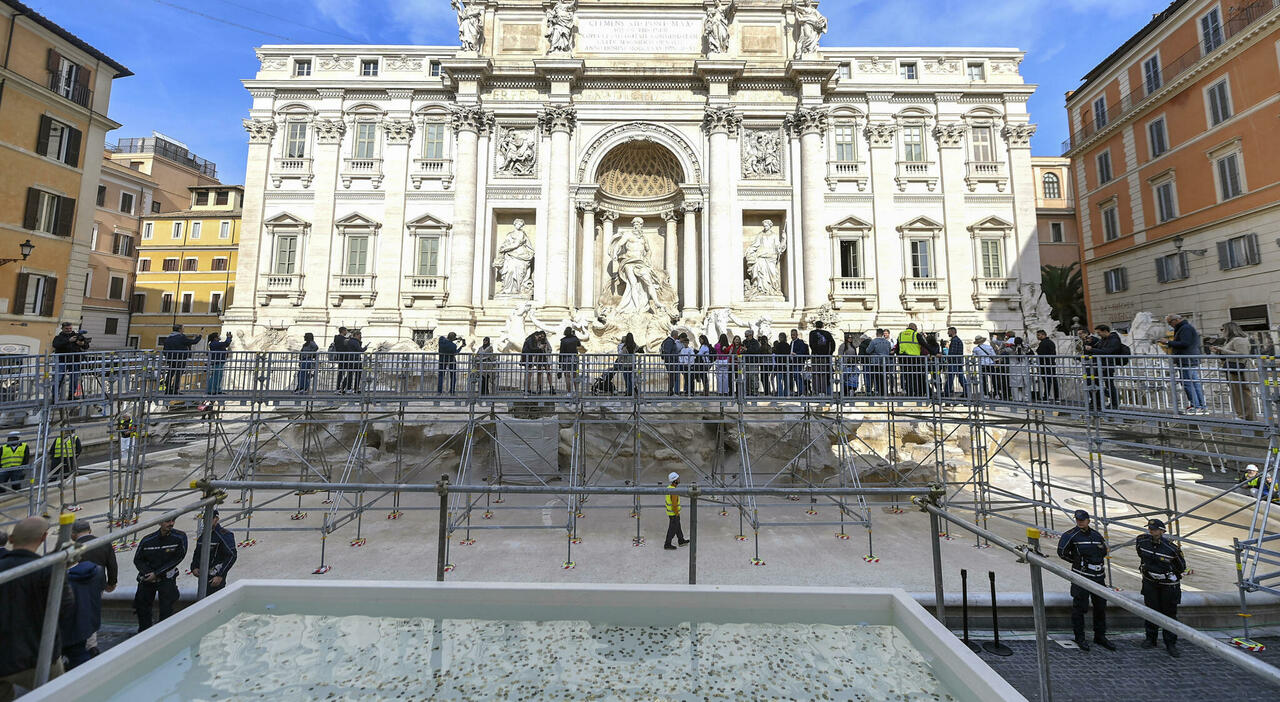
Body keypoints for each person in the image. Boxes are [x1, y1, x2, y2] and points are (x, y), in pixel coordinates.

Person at [0, 517, 73, 696]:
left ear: (10, 539)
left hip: (2, 657)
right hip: (38, 656)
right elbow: (64, 608)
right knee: (59, 696)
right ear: (43, 538)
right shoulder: (48, 571)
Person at [1057, 510, 1115, 652]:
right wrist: (1078, 563)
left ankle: (1100, 636)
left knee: (1100, 607)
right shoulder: (1070, 535)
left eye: (1082, 520)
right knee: (1080, 607)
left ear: (1088, 520)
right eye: (1078, 520)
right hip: (1081, 576)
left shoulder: (1096, 535)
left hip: (1098, 576)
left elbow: (1103, 551)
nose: (1080, 522)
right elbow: (1062, 553)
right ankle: (1080, 637)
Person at [62, 523, 109, 669]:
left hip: (68, 631)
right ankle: (92, 648)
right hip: (92, 601)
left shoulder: (62, 579)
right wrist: (111, 582)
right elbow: (111, 564)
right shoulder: (98, 570)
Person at [1136, 518, 1186, 657]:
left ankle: (1170, 643)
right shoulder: (1142, 541)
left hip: (1168, 585)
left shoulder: (1171, 548)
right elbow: (1141, 554)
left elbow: (1181, 566)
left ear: (1162, 531)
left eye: (1155, 529)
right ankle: (1150, 639)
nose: (1151, 531)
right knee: (1150, 610)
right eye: (1150, 529)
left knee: (1169, 614)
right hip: (1150, 582)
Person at [72, 519, 116, 661]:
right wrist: (111, 583)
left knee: (77, 614)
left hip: (75, 587)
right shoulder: (103, 543)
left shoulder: (71, 548)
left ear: (73, 534)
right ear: (90, 530)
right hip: (97, 585)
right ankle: (92, 645)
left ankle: (82, 644)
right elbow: (112, 565)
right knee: (92, 612)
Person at [133, 517, 188, 631]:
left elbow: (178, 558)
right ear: (160, 523)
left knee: (166, 608)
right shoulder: (148, 540)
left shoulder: (179, 537)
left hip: (166, 578)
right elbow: (138, 560)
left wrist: (157, 574)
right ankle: (144, 634)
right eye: (167, 521)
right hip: (148, 579)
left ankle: (164, 633)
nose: (171, 524)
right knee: (142, 607)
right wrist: (148, 574)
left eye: (173, 521)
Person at [1160, 314, 1206, 414]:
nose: (1170, 325)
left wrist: (1168, 342)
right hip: (1189, 359)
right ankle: (1201, 406)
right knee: (1195, 383)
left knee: (1188, 384)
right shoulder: (1185, 327)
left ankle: (1196, 406)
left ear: (1176, 320)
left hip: (1186, 360)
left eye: (1170, 323)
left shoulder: (1185, 328)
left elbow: (1185, 343)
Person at [1211, 321, 1256, 422]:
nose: (1221, 332)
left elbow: (1242, 354)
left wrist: (1222, 350)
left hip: (1240, 370)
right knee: (1236, 393)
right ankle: (1242, 415)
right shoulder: (1230, 340)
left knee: (1243, 393)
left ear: (1229, 329)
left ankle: (1246, 416)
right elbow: (1228, 355)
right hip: (1233, 369)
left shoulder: (1239, 340)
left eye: (1223, 329)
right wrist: (1219, 352)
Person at [191, 511, 237, 596]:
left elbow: (232, 556)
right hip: (203, 577)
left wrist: (220, 575)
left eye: (210, 519)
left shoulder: (224, 535)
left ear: (216, 519)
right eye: (205, 519)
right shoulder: (203, 535)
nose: (207, 521)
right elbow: (197, 553)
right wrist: (194, 567)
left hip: (216, 578)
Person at [1083, 325, 1122, 411]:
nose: (1098, 334)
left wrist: (1092, 349)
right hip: (1100, 365)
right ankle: (1097, 402)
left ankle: (1114, 403)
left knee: (1109, 384)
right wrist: (1089, 343)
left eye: (1099, 332)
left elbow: (1107, 352)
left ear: (1105, 331)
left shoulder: (1114, 340)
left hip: (1108, 365)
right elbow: (1097, 348)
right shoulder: (1103, 340)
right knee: (1093, 381)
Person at [51, 321, 89, 401]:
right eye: (67, 329)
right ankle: (55, 397)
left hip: (75, 360)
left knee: (74, 379)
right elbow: (56, 345)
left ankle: (72, 395)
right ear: (62, 329)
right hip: (62, 361)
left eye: (70, 328)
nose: (69, 330)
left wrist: (82, 343)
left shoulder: (77, 336)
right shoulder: (59, 337)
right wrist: (68, 341)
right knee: (58, 379)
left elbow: (86, 346)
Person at [161, 324, 202, 395]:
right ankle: (175, 390)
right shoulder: (181, 337)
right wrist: (200, 336)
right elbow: (194, 342)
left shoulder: (168, 338)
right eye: (183, 328)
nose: (184, 330)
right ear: (179, 329)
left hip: (170, 359)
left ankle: (167, 389)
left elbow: (164, 350)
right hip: (180, 359)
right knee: (178, 374)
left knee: (170, 373)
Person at [896, 324, 926, 397]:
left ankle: (909, 393)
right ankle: (918, 393)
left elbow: (897, 348)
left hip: (904, 359)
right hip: (915, 359)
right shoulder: (916, 334)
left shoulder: (901, 334)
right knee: (917, 376)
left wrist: (899, 356)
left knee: (908, 377)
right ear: (914, 327)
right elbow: (925, 345)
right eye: (916, 327)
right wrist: (935, 353)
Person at [808, 321, 836, 396]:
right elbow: (833, 344)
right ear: (823, 326)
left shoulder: (812, 333)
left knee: (815, 373)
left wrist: (815, 352)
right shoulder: (827, 333)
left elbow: (811, 344)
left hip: (816, 356)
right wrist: (829, 354)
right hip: (825, 356)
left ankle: (816, 391)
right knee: (823, 374)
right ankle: (823, 391)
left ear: (815, 325)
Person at [663, 471, 689, 550]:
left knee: (677, 527)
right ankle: (667, 544)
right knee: (672, 529)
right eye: (678, 478)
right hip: (674, 513)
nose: (679, 479)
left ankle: (681, 540)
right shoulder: (673, 491)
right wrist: (677, 513)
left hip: (671, 513)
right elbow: (674, 504)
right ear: (674, 481)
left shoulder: (669, 488)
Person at [1034, 330, 1060, 402]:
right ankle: (1056, 397)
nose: (1037, 337)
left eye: (1038, 335)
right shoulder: (1051, 342)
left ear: (1043, 335)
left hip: (1045, 364)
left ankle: (1046, 396)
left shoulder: (1043, 343)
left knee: (1047, 380)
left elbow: (1041, 353)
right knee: (1053, 380)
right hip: (1051, 363)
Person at [866, 329, 893, 396]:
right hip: (885, 362)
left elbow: (868, 351)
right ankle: (885, 392)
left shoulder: (874, 341)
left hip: (876, 362)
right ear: (882, 334)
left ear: (876, 333)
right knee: (884, 378)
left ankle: (878, 392)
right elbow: (889, 351)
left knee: (876, 378)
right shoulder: (887, 342)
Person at [943, 327, 968, 398]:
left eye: (948, 332)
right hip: (958, 362)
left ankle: (946, 393)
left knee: (950, 377)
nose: (947, 333)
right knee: (961, 378)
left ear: (952, 331)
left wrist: (948, 360)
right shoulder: (958, 340)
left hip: (954, 362)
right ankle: (966, 392)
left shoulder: (954, 340)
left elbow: (952, 353)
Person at [560, 327, 584, 394]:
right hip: (575, 358)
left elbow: (561, 352)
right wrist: (575, 335)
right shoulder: (575, 339)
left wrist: (560, 363)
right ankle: (576, 392)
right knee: (575, 373)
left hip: (566, 359)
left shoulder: (563, 340)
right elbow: (579, 344)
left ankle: (569, 392)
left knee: (567, 375)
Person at [660, 329, 682, 396]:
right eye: (677, 335)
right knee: (672, 376)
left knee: (672, 376)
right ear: (675, 335)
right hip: (671, 363)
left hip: (671, 362)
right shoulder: (670, 341)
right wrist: (671, 361)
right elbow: (667, 352)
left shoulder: (670, 341)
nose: (678, 336)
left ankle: (671, 391)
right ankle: (670, 392)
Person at [788, 329, 810, 396]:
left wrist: (796, 354)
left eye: (794, 335)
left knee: (797, 376)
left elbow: (802, 351)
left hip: (798, 361)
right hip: (793, 362)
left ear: (797, 335)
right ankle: (799, 391)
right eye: (791, 335)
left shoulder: (800, 342)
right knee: (796, 376)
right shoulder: (791, 342)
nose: (792, 336)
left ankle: (801, 391)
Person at [330, 327, 350, 391]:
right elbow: (346, 347)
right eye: (346, 331)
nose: (346, 332)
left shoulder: (336, 338)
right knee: (350, 372)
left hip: (339, 357)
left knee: (341, 373)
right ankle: (342, 387)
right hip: (345, 357)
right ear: (343, 331)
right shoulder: (343, 339)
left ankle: (338, 387)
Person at [772, 332, 791, 397]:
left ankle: (780, 393)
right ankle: (786, 393)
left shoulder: (778, 345)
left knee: (779, 380)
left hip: (779, 365)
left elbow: (776, 354)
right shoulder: (787, 345)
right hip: (786, 364)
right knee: (786, 380)